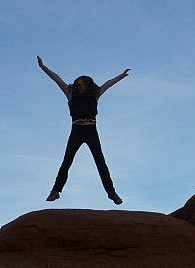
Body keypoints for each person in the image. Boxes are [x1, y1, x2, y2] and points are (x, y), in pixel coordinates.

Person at [37, 56, 129, 205]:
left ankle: (111, 193)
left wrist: (121, 76)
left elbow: (108, 84)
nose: (79, 86)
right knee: (67, 161)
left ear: (87, 85)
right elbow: (56, 79)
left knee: (100, 162)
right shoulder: (70, 93)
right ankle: (55, 191)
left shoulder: (95, 94)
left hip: (91, 130)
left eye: (81, 84)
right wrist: (43, 67)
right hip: (77, 130)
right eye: (77, 84)